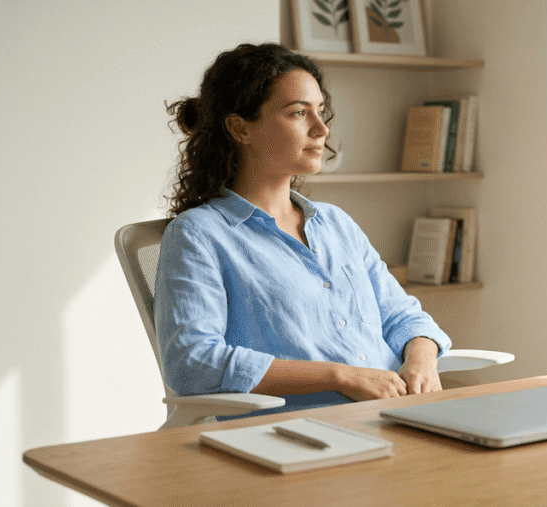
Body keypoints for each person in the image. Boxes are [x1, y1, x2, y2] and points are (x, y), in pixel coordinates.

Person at [154, 42, 451, 417]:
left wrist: (422, 360)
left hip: (397, 418)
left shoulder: (336, 224)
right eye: (298, 113)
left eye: (320, 111)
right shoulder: (199, 234)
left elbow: (402, 316)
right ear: (239, 128)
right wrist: (342, 376)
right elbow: (192, 361)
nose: (321, 128)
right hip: (298, 436)